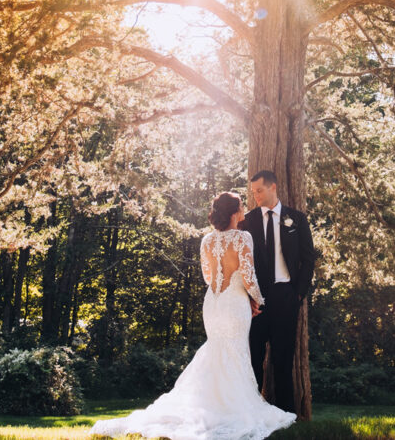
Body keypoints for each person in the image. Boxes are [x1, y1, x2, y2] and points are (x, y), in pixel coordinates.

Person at [90, 192, 296, 440]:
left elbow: (208, 277)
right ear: (233, 213)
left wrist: (229, 289)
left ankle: (212, 409)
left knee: (218, 351)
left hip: (213, 303)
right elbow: (249, 278)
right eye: (241, 207)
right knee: (235, 354)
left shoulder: (206, 241)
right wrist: (258, 301)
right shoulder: (244, 238)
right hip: (234, 303)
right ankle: (231, 410)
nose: (243, 211)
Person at [239, 170, 316, 415]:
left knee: (283, 359)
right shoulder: (247, 221)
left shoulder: (297, 219)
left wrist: (299, 294)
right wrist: (248, 297)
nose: (256, 196)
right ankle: (251, 413)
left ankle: (286, 416)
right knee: (254, 357)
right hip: (256, 300)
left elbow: (308, 258)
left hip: (286, 297)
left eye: (259, 191)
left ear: (273, 187)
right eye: (253, 192)